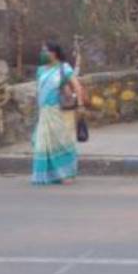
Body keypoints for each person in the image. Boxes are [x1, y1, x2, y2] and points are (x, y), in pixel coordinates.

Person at [32, 42, 80, 185]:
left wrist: (79, 103)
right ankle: (47, 174)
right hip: (43, 112)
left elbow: (76, 86)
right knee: (42, 144)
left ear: (54, 53)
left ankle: (66, 173)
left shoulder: (64, 68)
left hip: (55, 110)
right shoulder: (41, 70)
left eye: (45, 51)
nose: (43, 53)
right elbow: (39, 90)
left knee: (60, 142)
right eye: (42, 51)